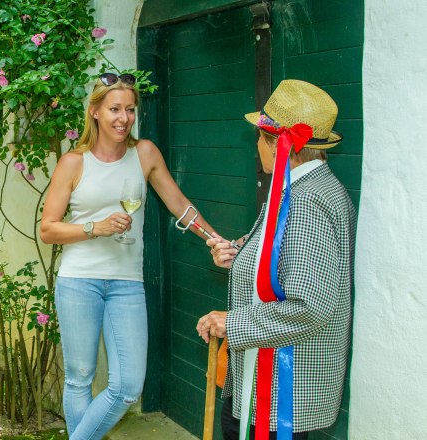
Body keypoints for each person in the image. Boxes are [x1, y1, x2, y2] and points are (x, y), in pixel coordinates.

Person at [40, 72, 214, 440]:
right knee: (79, 379)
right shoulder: (74, 162)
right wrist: (94, 228)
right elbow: (48, 229)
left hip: (127, 282)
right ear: (96, 112)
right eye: (115, 109)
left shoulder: (145, 153)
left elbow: (179, 204)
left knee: (128, 385)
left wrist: (214, 239)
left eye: (130, 110)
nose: (123, 118)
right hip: (78, 281)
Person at [196, 80, 356, 440]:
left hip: (283, 392)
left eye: (259, 136)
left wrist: (232, 323)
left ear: (277, 143)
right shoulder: (301, 188)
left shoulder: (307, 201)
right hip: (267, 385)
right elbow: (288, 262)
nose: (255, 145)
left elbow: (309, 304)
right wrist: (240, 257)